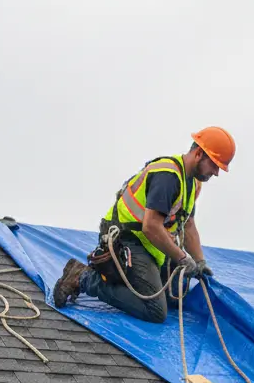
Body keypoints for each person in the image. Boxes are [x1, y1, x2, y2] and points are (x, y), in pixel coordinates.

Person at [52, 127, 235, 323]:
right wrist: (181, 257)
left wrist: (199, 262)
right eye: (214, 165)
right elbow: (150, 226)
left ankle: (133, 278)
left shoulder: (192, 183)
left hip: (152, 245)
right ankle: (84, 278)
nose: (216, 173)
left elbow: (188, 225)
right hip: (127, 239)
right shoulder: (168, 176)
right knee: (155, 310)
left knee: (175, 295)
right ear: (199, 154)